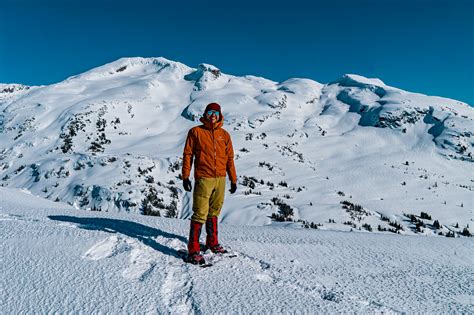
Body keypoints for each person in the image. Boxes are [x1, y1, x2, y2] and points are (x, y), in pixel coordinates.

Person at [182, 102, 237, 264]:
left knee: (214, 211)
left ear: (220, 116)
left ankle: (212, 242)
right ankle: (193, 249)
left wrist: (233, 179)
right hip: (204, 178)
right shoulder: (196, 132)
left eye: (216, 113)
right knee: (200, 212)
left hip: (220, 179)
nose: (213, 115)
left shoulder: (224, 135)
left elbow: (230, 159)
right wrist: (185, 176)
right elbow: (188, 155)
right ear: (205, 114)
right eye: (210, 112)